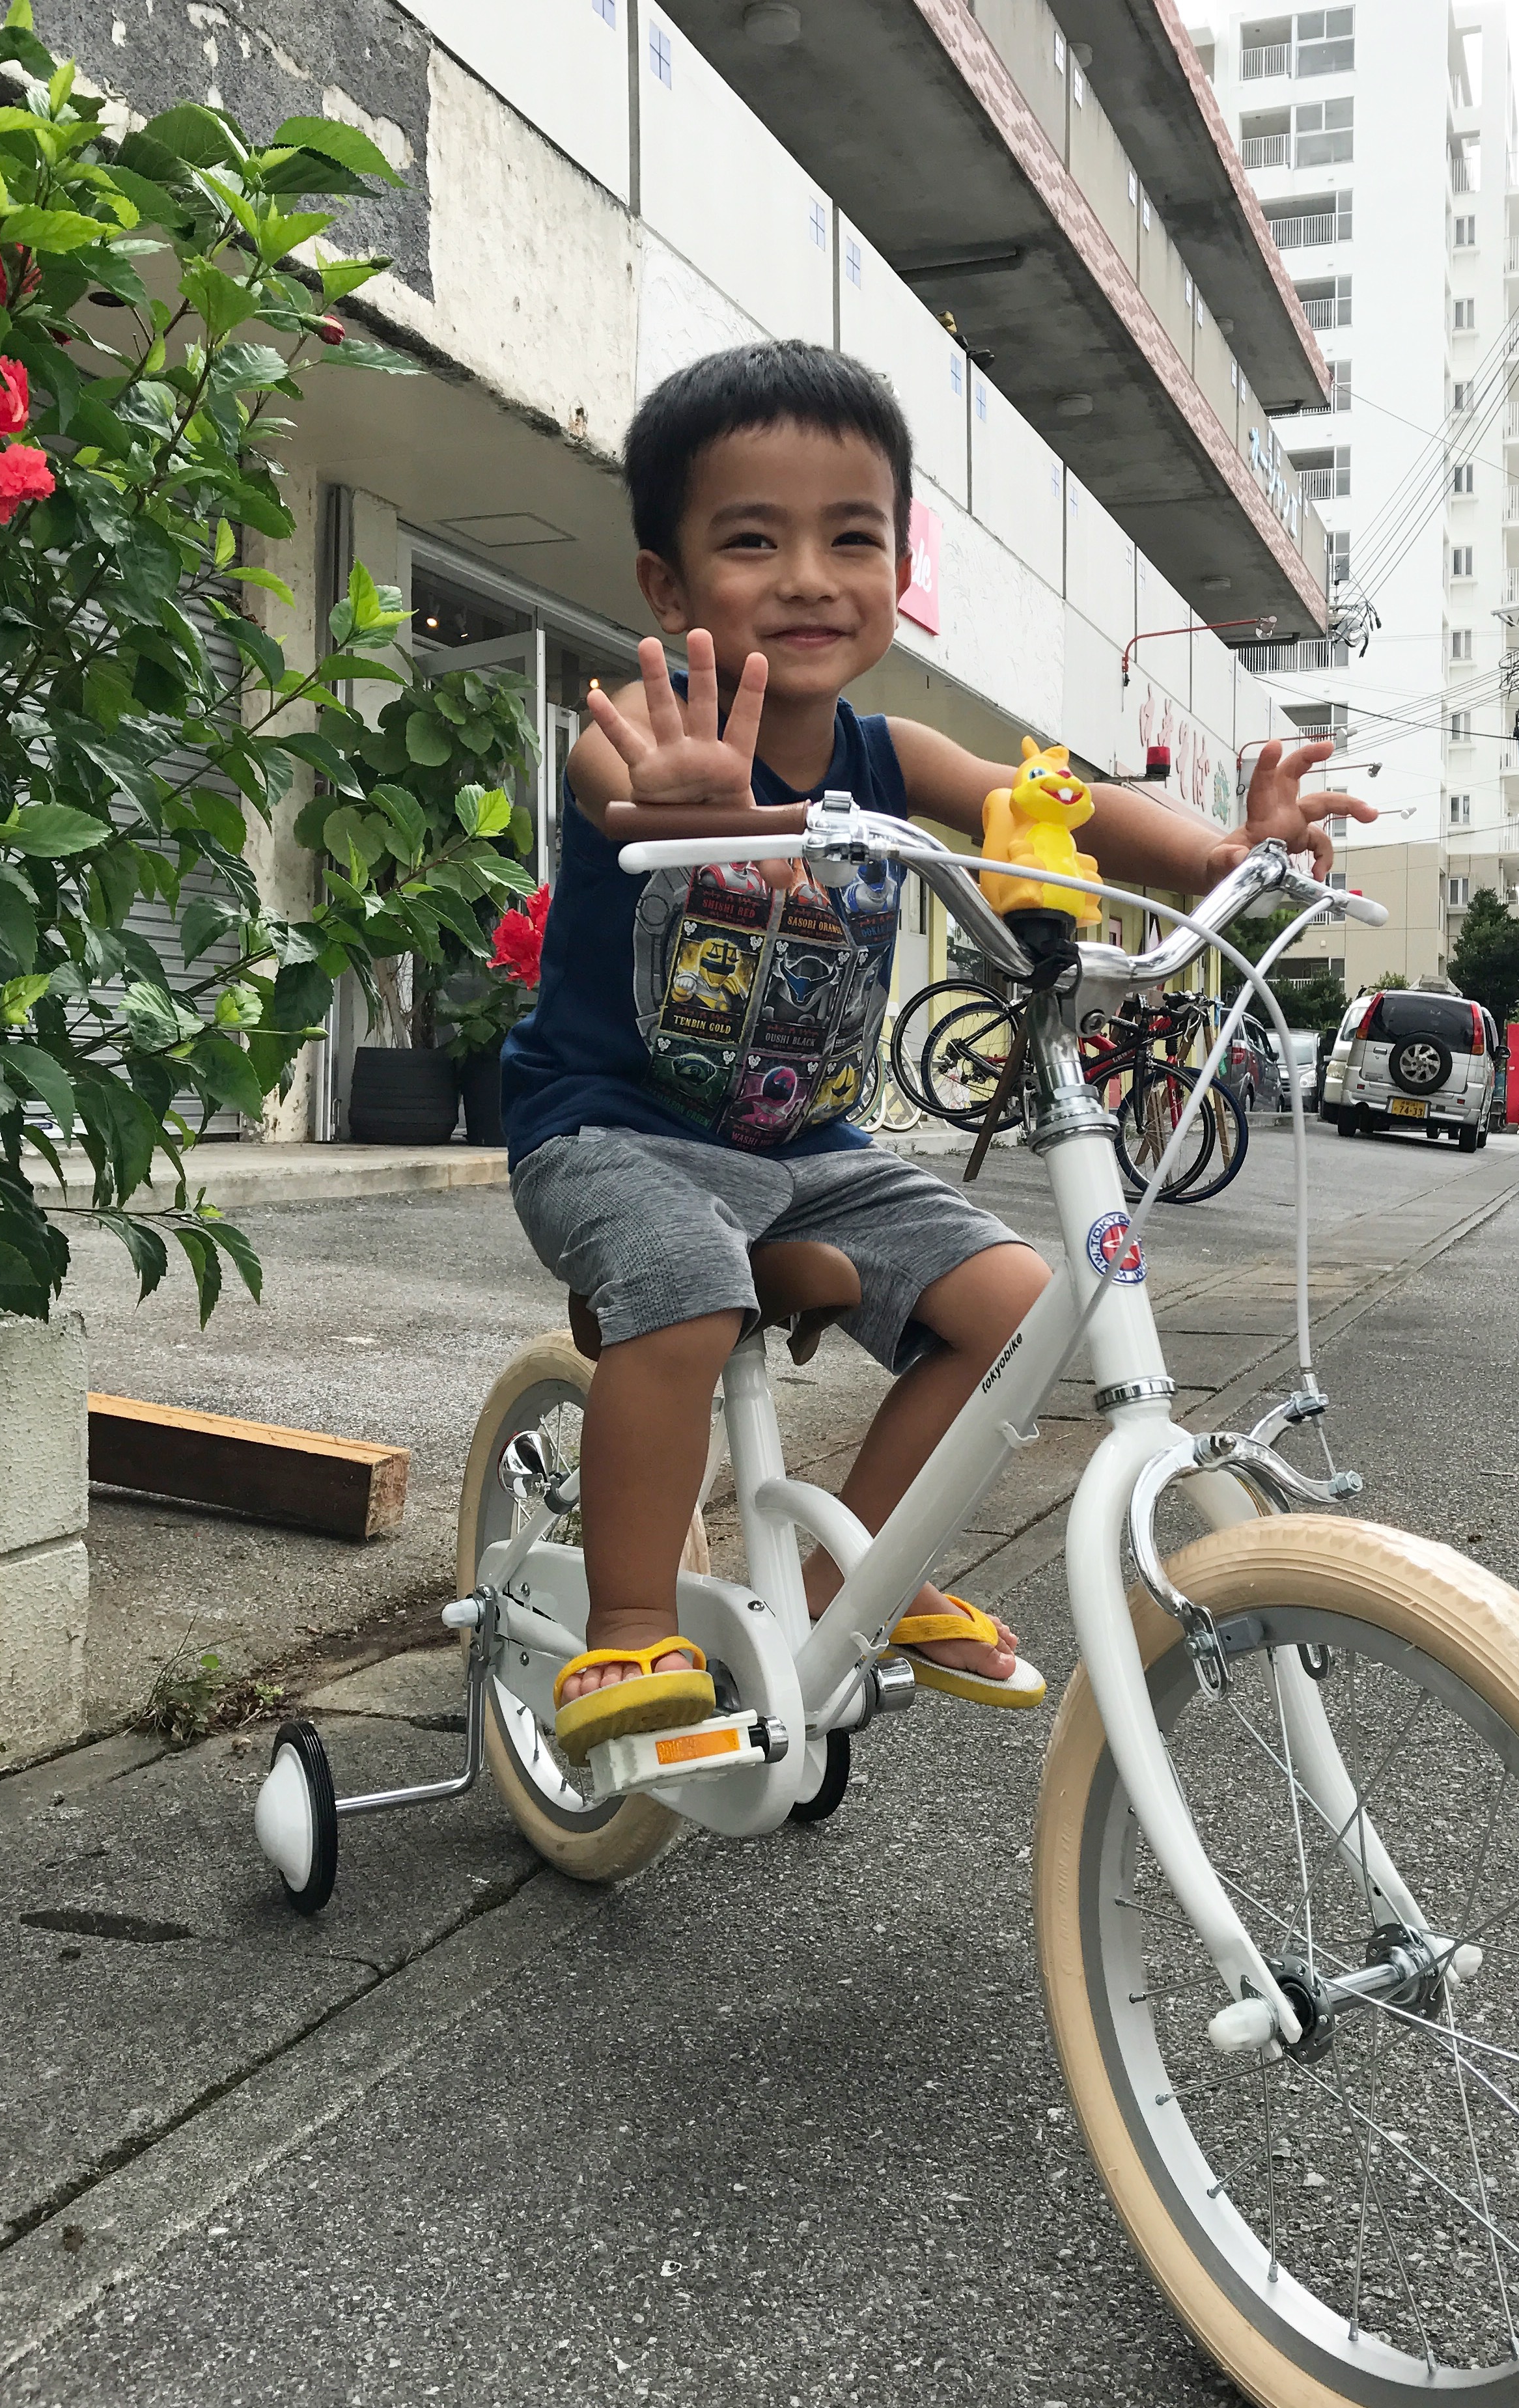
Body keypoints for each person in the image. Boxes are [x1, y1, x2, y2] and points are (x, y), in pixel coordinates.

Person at [501, 339, 1375, 1756]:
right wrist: (688, 802)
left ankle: (859, 1591)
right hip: (614, 1131)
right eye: (751, 539)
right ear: (668, 583)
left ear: (899, 568)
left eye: (853, 537)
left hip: (808, 1153)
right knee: (683, 1277)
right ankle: (622, 1637)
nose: (808, 575)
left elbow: (1057, 809)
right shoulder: (641, 721)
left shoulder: (888, 755)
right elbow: (627, 796)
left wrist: (1225, 851)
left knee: (1029, 1300)